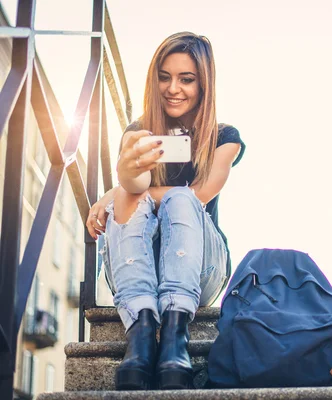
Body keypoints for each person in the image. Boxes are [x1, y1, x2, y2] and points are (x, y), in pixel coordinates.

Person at [85, 32, 245, 391]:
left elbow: (201, 193)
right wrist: (124, 184)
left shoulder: (224, 138)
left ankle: (175, 334)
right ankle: (141, 335)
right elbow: (134, 190)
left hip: (198, 271)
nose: (173, 88)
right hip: (138, 270)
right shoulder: (138, 133)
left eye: (186, 79)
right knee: (132, 194)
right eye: (164, 76)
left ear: (204, 84)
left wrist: (112, 192)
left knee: (181, 198)